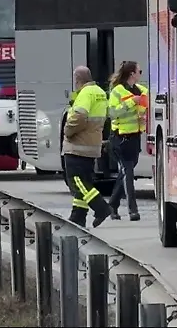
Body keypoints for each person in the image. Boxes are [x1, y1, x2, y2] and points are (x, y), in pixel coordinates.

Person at [62, 65, 113, 227]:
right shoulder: (99, 92)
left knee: (77, 182)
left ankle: (101, 208)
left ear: (77, 80)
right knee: (84, 181)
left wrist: (67, 130)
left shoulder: (85, 93)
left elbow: (79, 117)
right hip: (92, 145)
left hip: (78, 145)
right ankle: (78, 216)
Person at [106, 60, 148, 221]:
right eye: (139, 71)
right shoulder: (117, 91)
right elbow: (113, 113)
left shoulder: (142, 90)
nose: (140, 74)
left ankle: (112, 205)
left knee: (125, 172)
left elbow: (145, 109)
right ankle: (133, 210)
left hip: (135, 138)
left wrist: (143, 115)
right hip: (120, 138)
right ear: (132, 74)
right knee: (128, 172)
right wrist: (132, 102)